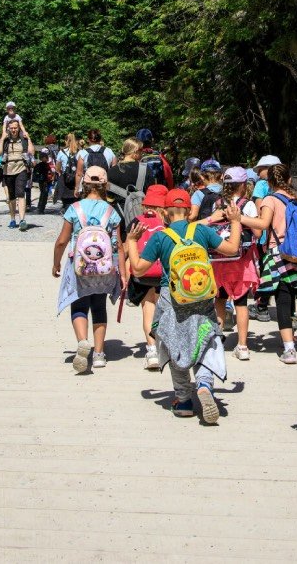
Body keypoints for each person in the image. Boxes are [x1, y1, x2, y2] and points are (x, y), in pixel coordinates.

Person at [126, 188, 242, 424]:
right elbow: (232, 249)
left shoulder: (161, 237)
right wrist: (236, 221)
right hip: (202, 295)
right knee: (205, 339)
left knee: (174, 344)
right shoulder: (202, 231)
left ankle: (184, 400)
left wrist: (131, 241)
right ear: (189, 211)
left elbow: (137, 269)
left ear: (164, 213)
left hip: (172, 298)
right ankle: (205, 385)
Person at [51, 165, 123, 373]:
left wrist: (56, 263)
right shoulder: (111, 211)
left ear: (85, 183)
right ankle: (99, 354)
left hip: (79, 266)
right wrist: (121, 272)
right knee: (99, 306)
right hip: (104, 268)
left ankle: (83, 341)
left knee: (80, 305)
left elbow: (62, 241)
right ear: (104, 185)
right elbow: (118, 245)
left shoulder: (75, 209)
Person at [251, 163, 297, 364]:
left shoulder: (270, 200)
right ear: (289, 179)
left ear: (269, 183)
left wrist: (240, 218)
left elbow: (264, 225)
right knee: (293, 296)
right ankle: (293, 335)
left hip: (278, 254)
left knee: (282, 299)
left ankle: (289, 348)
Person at [205, 166, 262, 361]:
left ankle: (218, 341)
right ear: (245, 185)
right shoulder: (249, 205)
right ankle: (243, 345)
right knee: (241, 303)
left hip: (220, 260)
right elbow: (258, 233)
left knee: (219, 300)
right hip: (242, 262)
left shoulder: (218, 204)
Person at [122, 184, 170, 370]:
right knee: (164, 311)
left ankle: (152, 352)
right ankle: (165, 347)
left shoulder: (136, 221)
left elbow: (127, 249)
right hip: (164, 273)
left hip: (142, 273)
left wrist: (124, 271)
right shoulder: (167, 223)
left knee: (148, 309)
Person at [0, 122, 33, 228]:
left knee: (21, 193)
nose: (13, 130)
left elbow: (31, 152)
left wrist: (29, 138)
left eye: (15, 128)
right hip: (8, 170)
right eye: (11, 128)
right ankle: (13, 219)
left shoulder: (24, 139)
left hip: (21, 168)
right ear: (8, 128)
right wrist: (2, 139)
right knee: (11, 196)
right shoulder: (5, 140)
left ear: (18, 128)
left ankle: (22, 219)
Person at [56, 133, 81, 214]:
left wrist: (61, 173)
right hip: (77, 180)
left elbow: (57, 168)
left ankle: (68, 218)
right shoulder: (80, 152)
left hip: (65, 180)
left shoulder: (61, 152)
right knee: (77, 202)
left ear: (66, 141)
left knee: (66, 202)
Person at [30, 149, 53, 214]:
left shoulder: (41, 165)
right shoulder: (44, 165)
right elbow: (49, 172)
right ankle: (41, 208)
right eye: (46, 158)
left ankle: (40, 208)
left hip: (42, 181)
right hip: (44, 181)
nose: (47, 159)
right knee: (44, 194)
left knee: (43, 194)